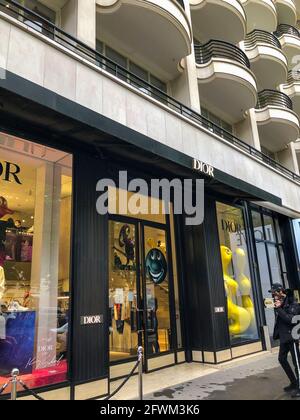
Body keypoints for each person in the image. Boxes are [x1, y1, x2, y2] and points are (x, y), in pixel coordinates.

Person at [270, 283, 300, 398]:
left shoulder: (294, 304)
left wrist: (278, 308)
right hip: (284, 337)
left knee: (297, 363)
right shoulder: (282, 304)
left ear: (281, 292)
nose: (274, 296)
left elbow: (291, 320)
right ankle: (294, 382)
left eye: (275, 293)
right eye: (273, 294)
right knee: (282, 359)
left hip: (292, 337)